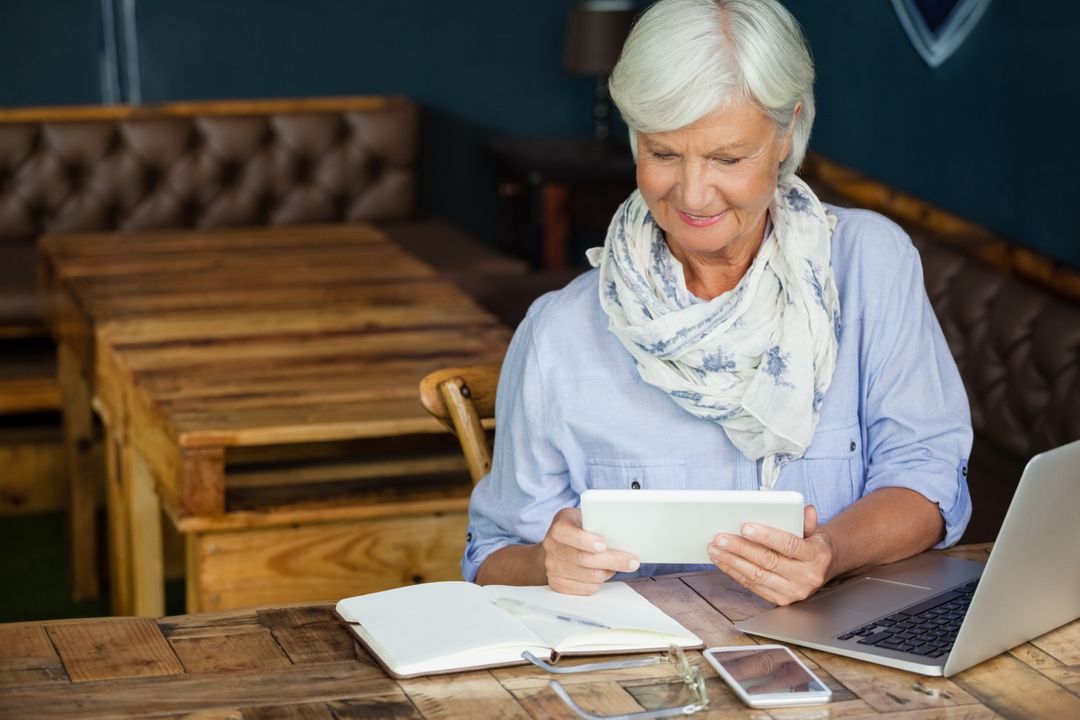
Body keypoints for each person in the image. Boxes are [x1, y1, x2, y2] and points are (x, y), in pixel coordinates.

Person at [464, 0, 972, 606]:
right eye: (663, 154)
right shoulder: (560, 332)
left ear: (786, 133)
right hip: (648, 675)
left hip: (843, 655)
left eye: (728, 159)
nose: (694, 194)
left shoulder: (871, 264)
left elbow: (928, 478)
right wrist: (549, 564)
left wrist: (829, 552)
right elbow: (489, 556)